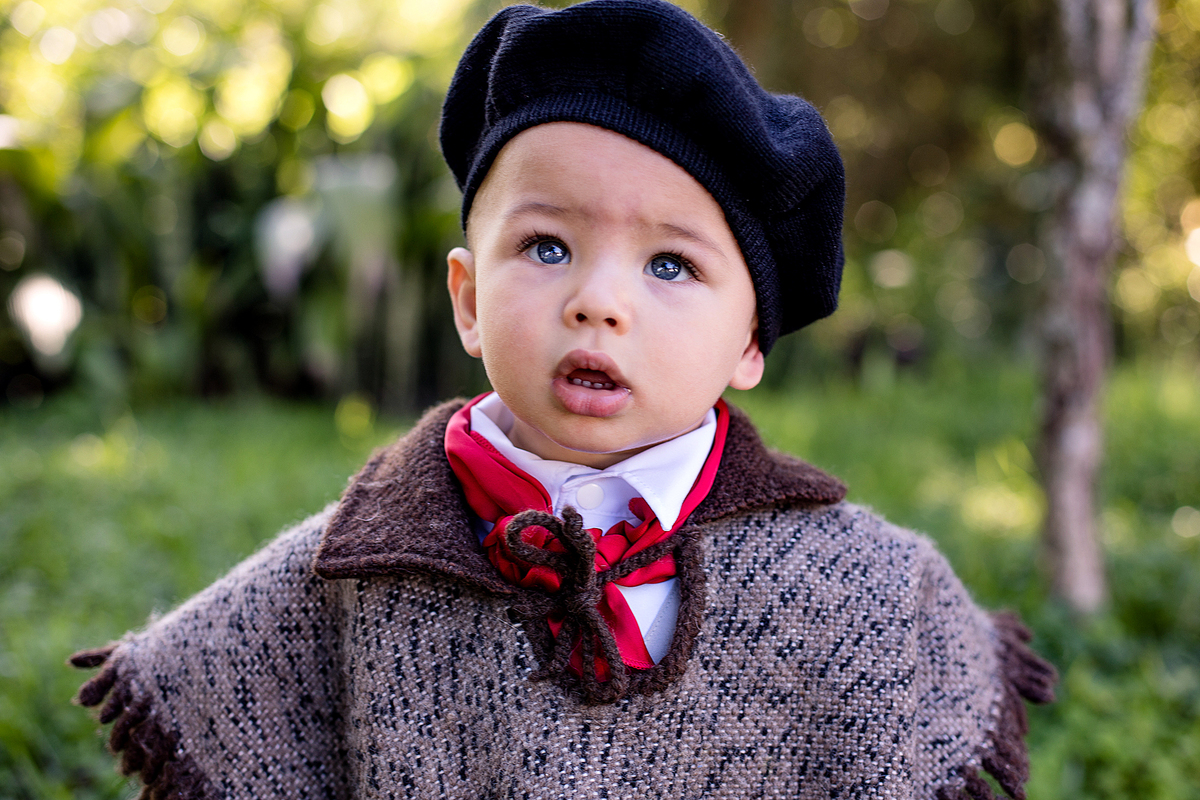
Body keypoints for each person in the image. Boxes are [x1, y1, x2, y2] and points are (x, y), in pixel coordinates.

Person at [71, 2, 1056, 798]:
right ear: (467, 299)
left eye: (670, 264)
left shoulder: (847, 585)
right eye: (547, 246)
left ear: (750, 341)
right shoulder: (352, 572)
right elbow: (223, 686)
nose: (598, 300)